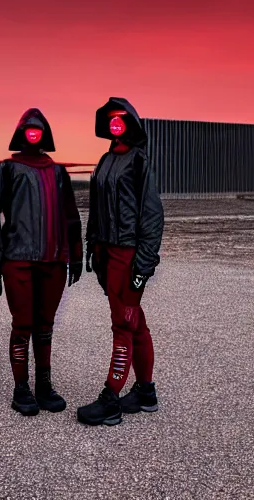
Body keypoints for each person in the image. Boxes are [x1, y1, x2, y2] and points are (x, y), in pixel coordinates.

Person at [0, 108, 83, 416]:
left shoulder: (57, 171)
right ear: (21, 133)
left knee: (45, 326)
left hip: (52, 261)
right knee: (23, 324)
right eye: (29, 129)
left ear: (45, 134)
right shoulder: (9, 168)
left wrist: (75, 255)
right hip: (18, 260)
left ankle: (44, 386)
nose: (33, 133)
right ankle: (21, 388)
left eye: (38, 130)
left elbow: (70, 216)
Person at [77, 97, 164, 426]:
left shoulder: (139, 162)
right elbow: (96, 209)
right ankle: (145, 392)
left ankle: (111, 399)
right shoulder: (104, 160)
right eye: (111, 120)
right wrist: (92, 247)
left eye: (121, 119)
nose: (116, 124)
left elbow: (153, 218)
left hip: (129, 255)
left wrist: (143, 266)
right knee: (136, 322)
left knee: (124, 322)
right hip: (107, 255)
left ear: (131, 123)